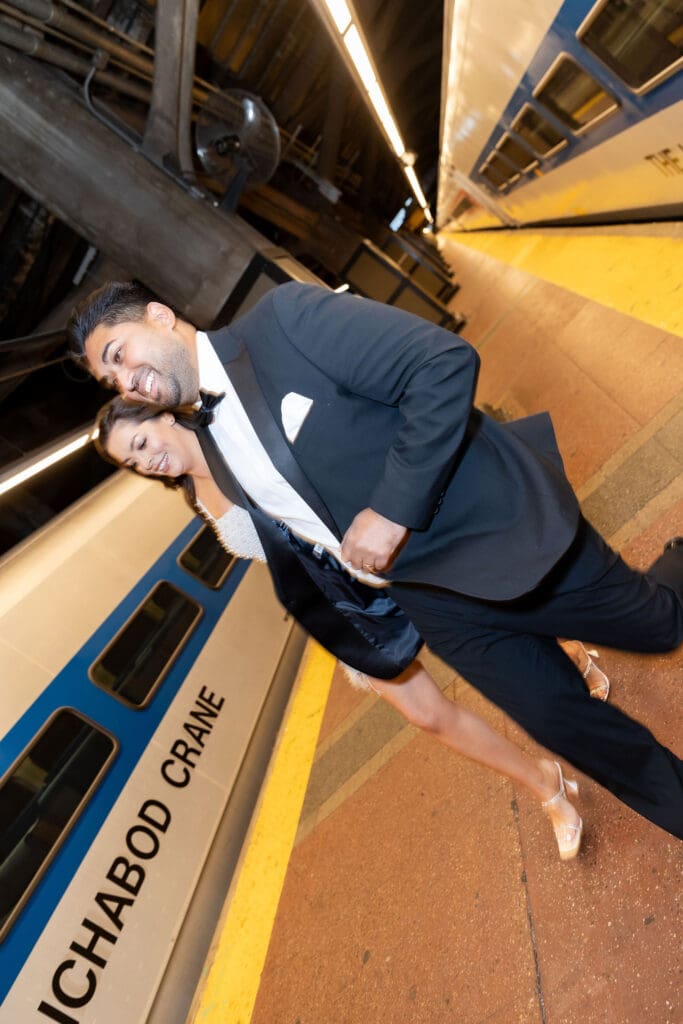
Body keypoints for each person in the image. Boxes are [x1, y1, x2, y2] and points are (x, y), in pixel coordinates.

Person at [69, 280, 683, 838]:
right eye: (110, 380)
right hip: (432, 604)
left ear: (158, 315)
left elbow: (441, 364)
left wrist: (392, 510)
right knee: (572, 729)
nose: (125, 381)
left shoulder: (283, 321)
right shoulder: (212, 444)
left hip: (492, 534)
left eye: (120, 354)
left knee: (658, 627)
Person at [95, 397, 614, 859]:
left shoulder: (233, 429)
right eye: (133, 462)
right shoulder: (192, 493)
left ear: (162, 413)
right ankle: (545, 785)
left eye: (141, 442)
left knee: (501, 614)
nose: (146, 461)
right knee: (425, 715)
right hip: (344, 605)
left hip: (382, 557)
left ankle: (573, 652)